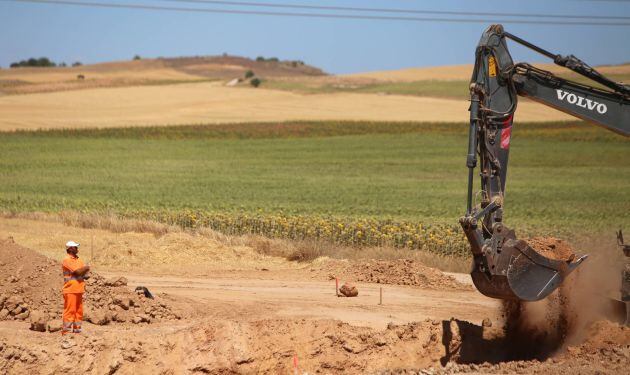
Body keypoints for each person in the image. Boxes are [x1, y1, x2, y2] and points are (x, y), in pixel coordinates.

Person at [62, 240, 90, 335]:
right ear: (70, 249)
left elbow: (84, 274)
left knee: (79, 311)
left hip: (79, 289)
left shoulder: (79, 260)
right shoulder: (67, 260)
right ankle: (66, 331)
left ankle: (77, 330)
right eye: (75, 247)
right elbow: (78, 272)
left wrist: (84, 270)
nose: (77, 248)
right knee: (70, 311)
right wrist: (85, 268)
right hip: (70, 290)